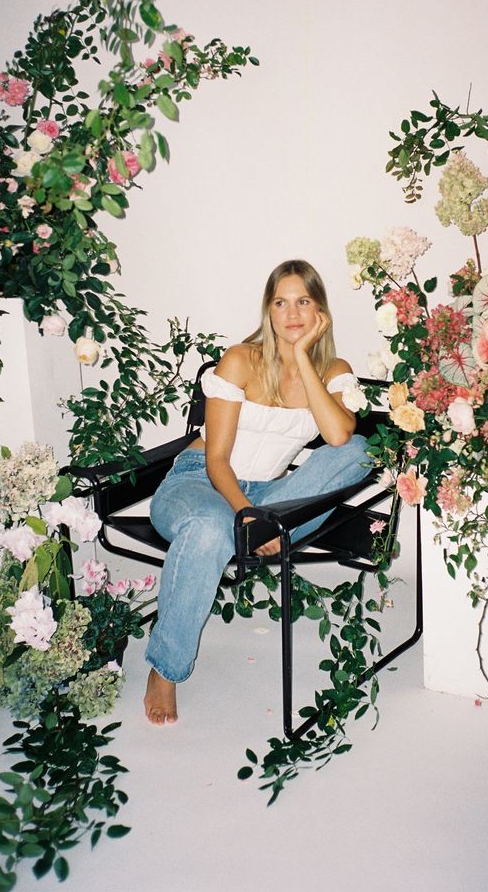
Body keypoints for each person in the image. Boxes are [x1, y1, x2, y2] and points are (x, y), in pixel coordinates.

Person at [143, 259, 372, 725]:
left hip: (273, 496)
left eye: (303, 302)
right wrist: (248, 515)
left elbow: (338, 439)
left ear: (320, 312)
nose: (292, 314)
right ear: (267, 310)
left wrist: (305, 358)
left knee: (359, 449)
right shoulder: (240, 360)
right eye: (281, 302)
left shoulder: (333, 370)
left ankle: (264, 524)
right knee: (209, 529)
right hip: (200, 484)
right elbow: (217, 460)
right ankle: (165, 669)